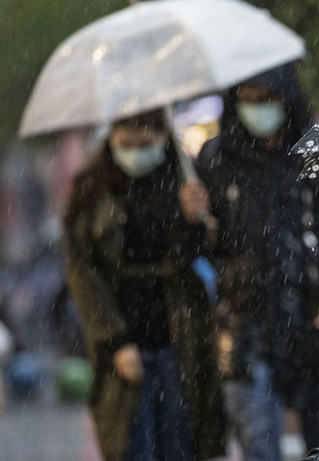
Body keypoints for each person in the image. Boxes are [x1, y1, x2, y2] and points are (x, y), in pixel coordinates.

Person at [179, 63, 319, 460]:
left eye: (264, 99)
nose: (256, 109)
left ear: (285, 99)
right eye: (246, 100)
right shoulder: (215, 160)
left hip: (316, 321)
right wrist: (189, 218)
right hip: (246, 328)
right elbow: (195, 249)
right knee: (258, 445)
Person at [63, 110, 226, 461]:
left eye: (146, 143)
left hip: (178, 336)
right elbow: (83, 274)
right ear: (112, 138)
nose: (136, 152)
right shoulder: (91, 189)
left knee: (180, 444)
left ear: (164, 139)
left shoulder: (184, 179)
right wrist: (116, 340)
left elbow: (198, 255)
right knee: (132, 445)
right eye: (127, 143)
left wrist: (194, 221)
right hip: (122, 336)